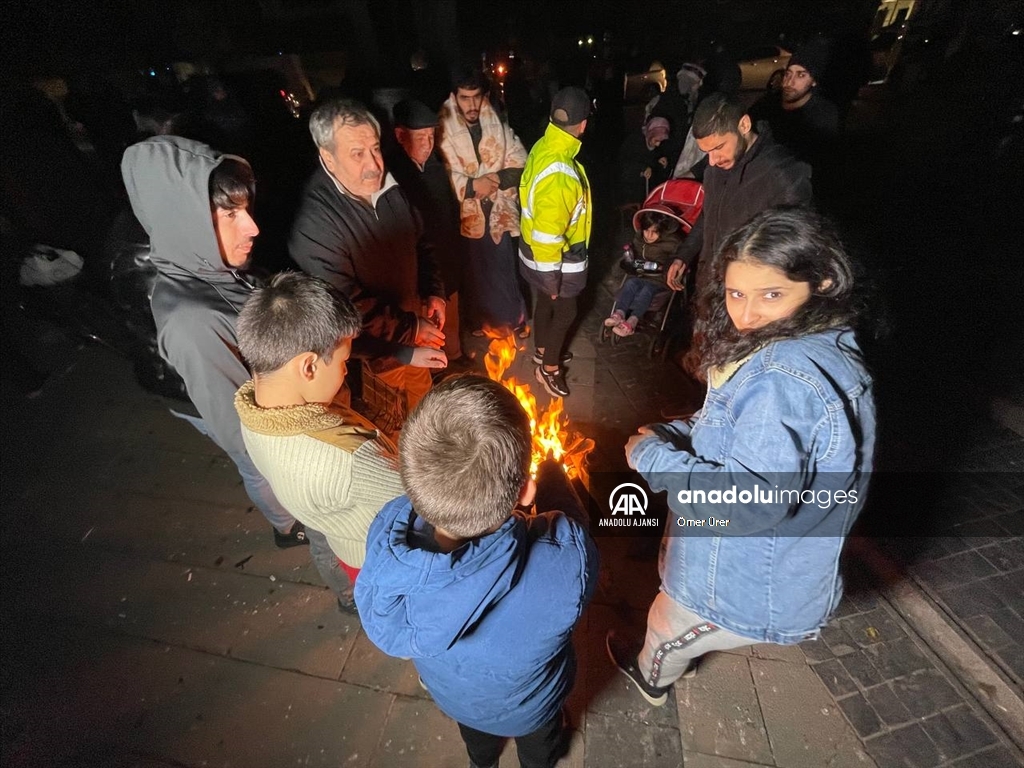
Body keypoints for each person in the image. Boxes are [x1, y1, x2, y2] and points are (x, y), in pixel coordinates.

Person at [607, 207, 875, 706]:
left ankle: (651, 677)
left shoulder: (783, 376)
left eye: (771, 294)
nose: (746, 314)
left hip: (744, 576)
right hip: (768, 562)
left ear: (822, 281)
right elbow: (742, 430)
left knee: (667, 626)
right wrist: (678, 432)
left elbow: (751, 502)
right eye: (735, 293)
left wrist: (653, 458)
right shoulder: (821, 345)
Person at [354, 375, 599, 768]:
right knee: (540, 745)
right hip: (529, 704)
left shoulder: (387, 539)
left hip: (456, 697)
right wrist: (555, 477)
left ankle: (481, 762)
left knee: (478, 737)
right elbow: (571, 529)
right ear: (526, 493)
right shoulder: (565, 560)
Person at [121, 136, 306, 548]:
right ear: (184, 218)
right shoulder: (193, 320)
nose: (252, 227)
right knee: (256, 468)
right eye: (229, 214)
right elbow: (243, 434)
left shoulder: (213, 264)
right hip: (237, 419)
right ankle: (286, 526)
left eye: (245, 209)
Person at [234, 273, 404, 612]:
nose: (345, 372)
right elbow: (420, 502)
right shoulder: (347, 458)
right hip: (380, 554)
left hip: (342, 539)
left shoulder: (253, 408)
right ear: (309, 366)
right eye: (343, 362)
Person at [289, 98, 448, 417]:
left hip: (413, 330)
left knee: (426, 411)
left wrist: (434, 291)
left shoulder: (389, 181)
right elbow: (346, 308)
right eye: (357, 154)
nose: (374, 164)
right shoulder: (315, 223)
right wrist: (407, 336)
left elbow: (418, 237)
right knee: (396, 427)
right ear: (328, 157)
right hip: (381, 355)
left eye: (375, 148)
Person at [664, 92, 813, 297]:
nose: (713, 160)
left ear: (743, 125)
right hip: (709, 287)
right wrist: (684, 255)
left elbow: (795, 247)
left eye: (718, 147)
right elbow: (708, 214)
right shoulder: (714, 169)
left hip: (747, 296)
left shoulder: (783, 174)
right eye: (706, 152)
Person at [437, 66, 529, 337]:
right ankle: (481, 322)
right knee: (476, 274)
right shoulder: (442, 126)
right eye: (465, 98)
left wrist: (496, 179)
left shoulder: (495, 121)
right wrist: (470, 184)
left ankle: (513, 320)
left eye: (476, 96)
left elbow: (520, 159)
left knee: (502, 270)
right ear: (455, 97)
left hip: (497, 209)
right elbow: (440, 171)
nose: (472, 104)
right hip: (464, 213)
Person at [519, 86, 593, 399]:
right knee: (565, 312)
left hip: (531, 250)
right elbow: (551, 235)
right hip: (557, 259)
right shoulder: (562, 173)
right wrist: (553, 280)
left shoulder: (544, 145)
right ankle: (548, 369)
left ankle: (541, 351)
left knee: (545, 306)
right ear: (583, 125)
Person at [388, 98, 466, 365]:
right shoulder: (395, 176)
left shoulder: (434, 165)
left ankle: (453, 358)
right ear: (400, 136)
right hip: (422, 270)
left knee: (451, 315)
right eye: (420, 137)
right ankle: (437, 368)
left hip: (447, 260)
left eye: (431, 135)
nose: (428, 143)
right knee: (429, 324)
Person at [748, 42, 840, 170]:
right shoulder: (767, 105)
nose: (790, 82)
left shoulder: (822, 115)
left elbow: (820, 160)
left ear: (814, 81)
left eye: (801, 75)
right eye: (788, 74)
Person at [605, 209, 684, 337]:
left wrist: (667, 268)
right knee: (630, 284)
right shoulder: (640, 238)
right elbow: (632, 255)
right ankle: (619, 314)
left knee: (646, 290)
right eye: (646, 231)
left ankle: (632, 321)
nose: (649, 235)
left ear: (662, 232)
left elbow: (679, 260)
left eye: (654, 232)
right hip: (640, 274)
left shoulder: (672, 243)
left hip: (659, 279)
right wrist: (627, 260)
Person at [615, 116, 672, 205]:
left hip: (646, 188)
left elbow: (654, 162)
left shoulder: (659, 145)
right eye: (656, 140)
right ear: (650, 134)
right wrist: (642, 168)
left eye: (661, 141)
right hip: (628, 188)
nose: (658, 144)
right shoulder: (634, 141)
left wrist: (660, 161)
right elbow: (624, 163)